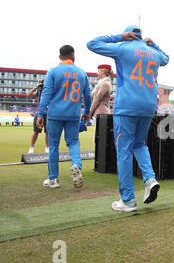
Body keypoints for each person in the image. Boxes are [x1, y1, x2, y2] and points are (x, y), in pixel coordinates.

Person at [87, 25, 169, 211]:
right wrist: (153, 44)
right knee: (140, 144)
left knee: (123, 150)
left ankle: (128, 200)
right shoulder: (153, 52)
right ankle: (149, 178)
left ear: (129, 36)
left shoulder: (123, 47)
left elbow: (92, 44)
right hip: (148, 105)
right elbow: (166, 58)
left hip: (127, 105)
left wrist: (118, 36)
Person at [36, 45, 91, 189]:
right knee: (73, 142)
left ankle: (53, 179)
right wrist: (87, 111)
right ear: (73, 56)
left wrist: (41, 113)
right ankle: (76, 165)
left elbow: (46, 93)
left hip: (55, 114)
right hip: (73, 114)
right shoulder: (82, 73)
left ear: (60, 57)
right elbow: (87, 95)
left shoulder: (53, 72)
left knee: (53, 145)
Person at [89, 64, 112, 142]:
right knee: (99, 138)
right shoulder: (102, 83)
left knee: (100, 139)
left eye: (98, 71)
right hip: (100, 112)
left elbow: (97, 99)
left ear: (102, 72)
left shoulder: (105, 84)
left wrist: (90, 112)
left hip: (102, 112)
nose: (97, 73)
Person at [27, 79, 49, 154]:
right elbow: (29, 94)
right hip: (39, 112)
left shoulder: (50, 91)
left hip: (49, 113)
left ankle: (47, 148)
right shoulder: (39, 92)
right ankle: (31, 147)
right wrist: (36, 87)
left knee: (48, 132)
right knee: (36, 131)